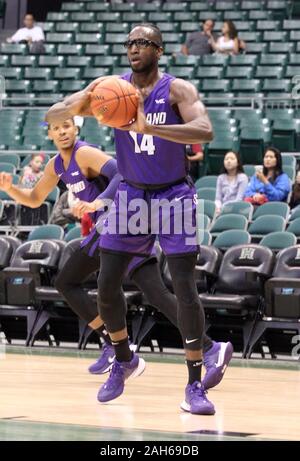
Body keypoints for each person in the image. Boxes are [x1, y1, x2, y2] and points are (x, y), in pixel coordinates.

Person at [46, 23, 233, 415]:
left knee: (183, 286)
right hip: (131, 194)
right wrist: (87, 96)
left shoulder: (177, 89)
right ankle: (124, 357)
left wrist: (152, 126)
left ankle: (195, 385)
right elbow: (57, 112)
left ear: (159, 50)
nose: (135, 47)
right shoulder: (113, 90)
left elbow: (205, 129)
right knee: (107, 281)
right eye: (130, 42)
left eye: (143, 42)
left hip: (173, 194)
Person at [0, 117, 232, 393]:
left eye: (67, 126)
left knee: (69, 281)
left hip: (118, 224)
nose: (62, 132)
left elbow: (123, 173)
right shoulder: (57, 165)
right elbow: (35, 198)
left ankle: (117, 346)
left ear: (76, 128)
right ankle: (208, 347)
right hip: (117, 229)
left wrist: (99, 201)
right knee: (155, 294)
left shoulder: (84, 153)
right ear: (49, 133)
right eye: (56, 128)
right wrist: (9, 188)